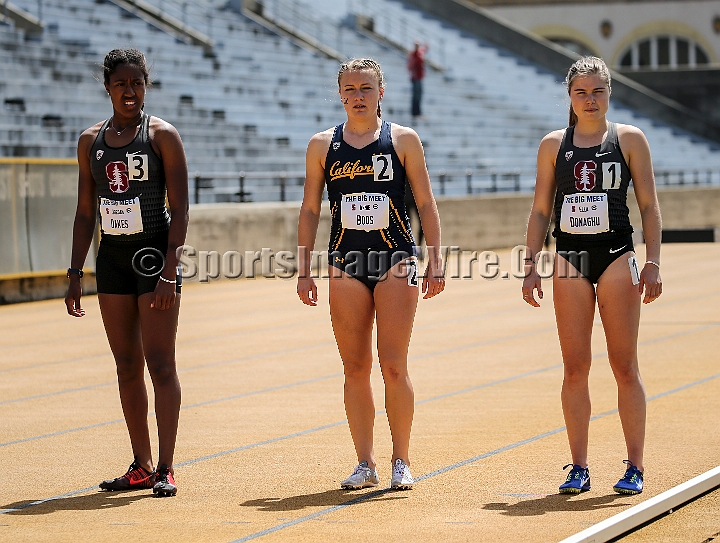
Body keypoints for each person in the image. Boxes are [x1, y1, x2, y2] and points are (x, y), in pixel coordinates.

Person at [297, 58, 444, 490]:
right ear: (340, 94)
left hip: (395, 259)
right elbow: (309, 209)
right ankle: (365, 462)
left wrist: (436, 260)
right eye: (350, 89)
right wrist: (304, 269)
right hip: (344, 262)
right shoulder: (322, 145)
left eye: (366, 88)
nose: (358, 96)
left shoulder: (403, 139)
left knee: (393, 365)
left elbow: (426, 203)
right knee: (354, 366)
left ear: (381, 92)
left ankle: (402, 459)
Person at [522, 56, 662, 496]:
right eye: (581, 92)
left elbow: (650, 206)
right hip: (569, 258)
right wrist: (529, 266)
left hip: (618, 254)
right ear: (569, 96)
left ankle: (634, 466)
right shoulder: (553, 145)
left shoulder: (629, 139)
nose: (590, 99)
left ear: (609, 92)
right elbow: (541, 210)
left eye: (597, 91)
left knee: (624, 365)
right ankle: (578, 466)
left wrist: (653, 261)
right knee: (575, 367)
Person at [65, 49, 189, 497]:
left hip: (155, 260)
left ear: (145, 85)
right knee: (125, 366)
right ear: (108, 87)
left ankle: (167, 468)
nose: (130, 91)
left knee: (160, 364)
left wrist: (171, 269)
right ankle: (141, 463)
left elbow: (181, 209)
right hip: (113, 263)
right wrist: (75, 271)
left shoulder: (161, 136)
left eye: (137, 82)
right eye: (121, 83)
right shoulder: (89, 141)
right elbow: (84, 213)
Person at [407, 42, 427, 118]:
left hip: (419, 77)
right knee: (416, 95)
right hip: (415, 77)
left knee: (419, 95)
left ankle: (418, 112)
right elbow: (410, 66)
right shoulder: (413, 55)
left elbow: (424, 50)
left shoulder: (419, 53)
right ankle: (415, 112)